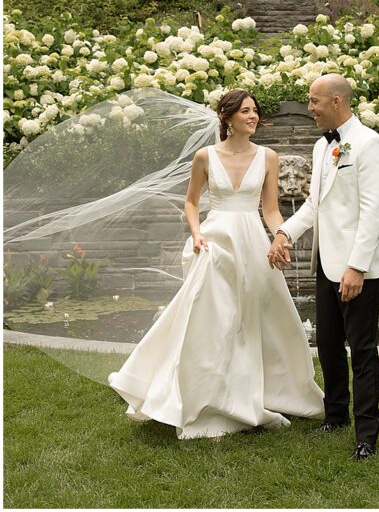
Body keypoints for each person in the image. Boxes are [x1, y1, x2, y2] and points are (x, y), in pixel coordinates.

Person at [108, 89, 325, 439]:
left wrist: (281, 236)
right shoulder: (205, 157)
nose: (253, 117)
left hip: (253, 243)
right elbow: (191, 203)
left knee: (259, 318)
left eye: (255, 111)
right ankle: (206, 395)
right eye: (245, 112)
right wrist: (195, 235)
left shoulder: (269, 157)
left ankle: (266, 391)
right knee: (216, 320)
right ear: (227, 118)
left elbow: (270, 210)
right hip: (215, 243)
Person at [270, 73, 379, 462]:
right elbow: (314, 204)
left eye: (313, 101)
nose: (309, 109)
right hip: (325, 263)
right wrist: (285, 233)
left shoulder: (371, 144)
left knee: (362, 349)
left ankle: (367, 433)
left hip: (360, 268)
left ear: (336, 102)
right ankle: (336, 414)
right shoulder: (321, 148)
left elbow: (374, 211)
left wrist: (356, 268)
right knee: (327, 345)